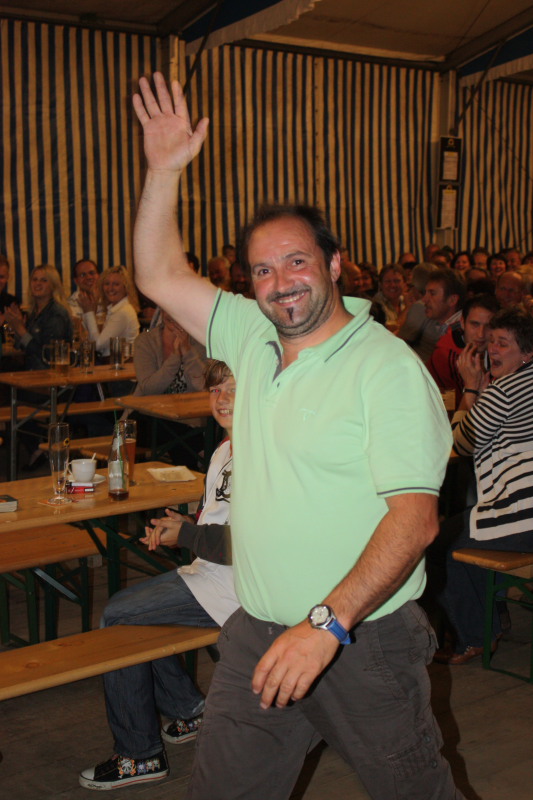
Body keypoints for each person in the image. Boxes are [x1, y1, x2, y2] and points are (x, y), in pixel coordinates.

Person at [130, 73, 461, 800]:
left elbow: (414, 520)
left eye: (297, 261)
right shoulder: (248, 335)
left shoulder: (384, 368)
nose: (280, 282)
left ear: (334, 265)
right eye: (262, 269)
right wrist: (164, 171)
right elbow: (157, 273)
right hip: (259, 628)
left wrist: (325, 626)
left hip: (361, 638)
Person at [80, 361, 239, 790]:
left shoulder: (267, 455)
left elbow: (249, 543)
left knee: (118, 616)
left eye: (233, 388)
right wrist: (184, 523)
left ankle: (140, 754)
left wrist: (186, 535)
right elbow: (216, 519)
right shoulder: (226, 449)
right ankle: (189, 711)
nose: (222, 398)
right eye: (215, 390)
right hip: (210, 574)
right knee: (134, 614)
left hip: (238, 589)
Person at [429, 309, 533, 665]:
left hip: (524, 514)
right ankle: (490, 624)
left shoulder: (503, 392)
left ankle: (475, 636)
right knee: (466, 532)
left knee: (438, 545)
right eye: (491, 343)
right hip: (522, 513)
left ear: (527, 353)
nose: (493, 351)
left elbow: (458, 444)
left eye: (503, 344)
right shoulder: (516, 386)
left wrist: (472, 388)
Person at [133, 310, 208, 468]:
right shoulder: (145, 341)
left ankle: (197, 462)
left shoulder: (200, 342)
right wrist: (175, 356)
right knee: (181, 436)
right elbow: (148, 388)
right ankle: (200, 455)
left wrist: (187, 351)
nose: (172, 313)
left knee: (184, 438)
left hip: (188, 420)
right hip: (148, 418)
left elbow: (203, 385)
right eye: (166, 307)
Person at [426, 294, 499, 402]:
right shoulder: (444, 356)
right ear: (462, 323)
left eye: (489, 326)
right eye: (475, 324)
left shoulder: (503, 352)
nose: (481, 334)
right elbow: (449, 407)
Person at [5, 264, 72, 370]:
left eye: (44, 280)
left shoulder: (56, 314)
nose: (37, 283)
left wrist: (21, 330)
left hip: (49, 375)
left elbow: (49, 356)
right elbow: (22, 347)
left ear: (53, 285)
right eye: (34, 279)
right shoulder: (34, 311)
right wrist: (16, 327)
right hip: (32, 371)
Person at [78, 265, 140, 357]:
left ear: (125, 288)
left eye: (116, 284)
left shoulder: (123, 312)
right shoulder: (116, 309)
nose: (110, 288)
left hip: (122, 363)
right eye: (107, 284)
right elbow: (87, 339)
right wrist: (91, 311)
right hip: (114, 361)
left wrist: (89, 312)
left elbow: (97, 345)